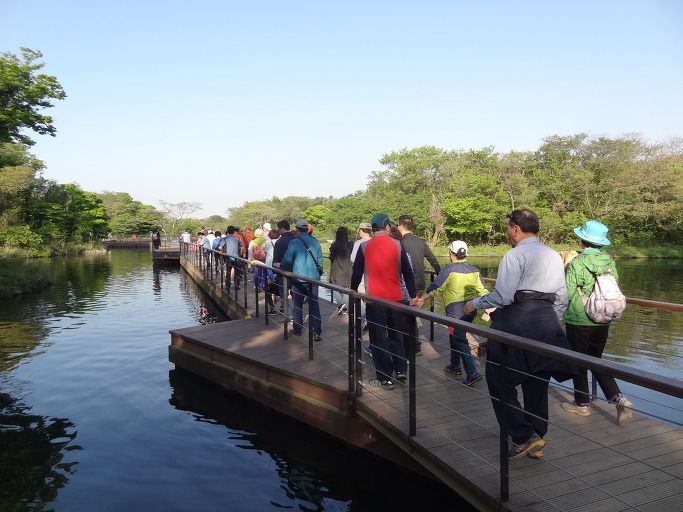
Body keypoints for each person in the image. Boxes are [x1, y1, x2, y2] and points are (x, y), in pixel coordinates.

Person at [464, 209, 573, 459]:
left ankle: (524, 436)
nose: (507, 233)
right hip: (546, 323)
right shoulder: (553, 255)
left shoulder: (514, 256)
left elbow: (503, 296)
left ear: (515, 228)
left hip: (516, 323)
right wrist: (549, 322)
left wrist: (474, 303)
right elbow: (562, 298)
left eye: (508, 228)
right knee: (537, 382)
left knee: (498, 380)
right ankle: (537, 437)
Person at [561, 220, 633, 423]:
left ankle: (582, 405)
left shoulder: (577, 262)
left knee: (578, 362)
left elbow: (567, 293)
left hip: (579, 319)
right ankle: (619, 399)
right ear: (601, 242)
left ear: (582, 240)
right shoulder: (609, 261)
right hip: (602, 319)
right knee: (596, 360)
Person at [351, 213, 418, 390]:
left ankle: (385, 378)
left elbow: (357, 272)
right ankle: (401, 369)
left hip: (374, 300)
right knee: (397, 335)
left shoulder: (364, 246)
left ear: (373, 229)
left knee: (378, 338)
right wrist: (413, 295)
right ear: (387, 227)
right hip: (396, 299)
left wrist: (353, 290)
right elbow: (407, 272)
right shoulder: (397, 244)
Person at [418, 241, 488, 386]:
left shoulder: (449, 269)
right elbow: (483, 290)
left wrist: (422, 298)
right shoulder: (474, 269)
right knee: (455, 335)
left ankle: (472, 372)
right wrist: (490, 306)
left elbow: (436, 287)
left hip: (455, 311)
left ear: (451, 253)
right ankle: (455, 364)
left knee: (460, 339)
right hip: (470, 310)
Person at [397, 215, 441, 356]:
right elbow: (433, 259)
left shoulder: (399, 243)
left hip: (405, 285)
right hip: (420, 285)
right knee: (412, 315)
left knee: (406, 316)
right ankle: (413, 346)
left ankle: (413, 347)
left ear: (400, 226)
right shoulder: (421, 242)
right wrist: (441, 275)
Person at [281, 219, 324, 340]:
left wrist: (284, 270)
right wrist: (319, 273)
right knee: (314, 305)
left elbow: (287, 260)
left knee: (297, 305)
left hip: (298, 279)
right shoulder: (315, 242)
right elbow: (320, 260)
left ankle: (297, 329)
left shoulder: (294, 242)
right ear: (307, 229)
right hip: (313, 279)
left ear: (297, 229)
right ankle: (317, 332)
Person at [329, 226, 354, 314]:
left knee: (335, 288)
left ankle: (342, 305)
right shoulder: (351, 244)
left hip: (337, 271)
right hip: (348, 270)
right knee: (347, 289)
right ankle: (345, 307)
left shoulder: (334, 245)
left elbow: (331, 257)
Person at [224, 226, 244, 291]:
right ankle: (236, 286)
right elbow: (242, 247)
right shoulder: (237, 239)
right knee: (237, 272)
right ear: (234, 231)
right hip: (236, 258)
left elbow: (220, 247)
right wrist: (240, 254)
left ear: (227, 231)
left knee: (228, 272)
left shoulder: (225, 239)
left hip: (228, 258)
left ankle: (227, 286)